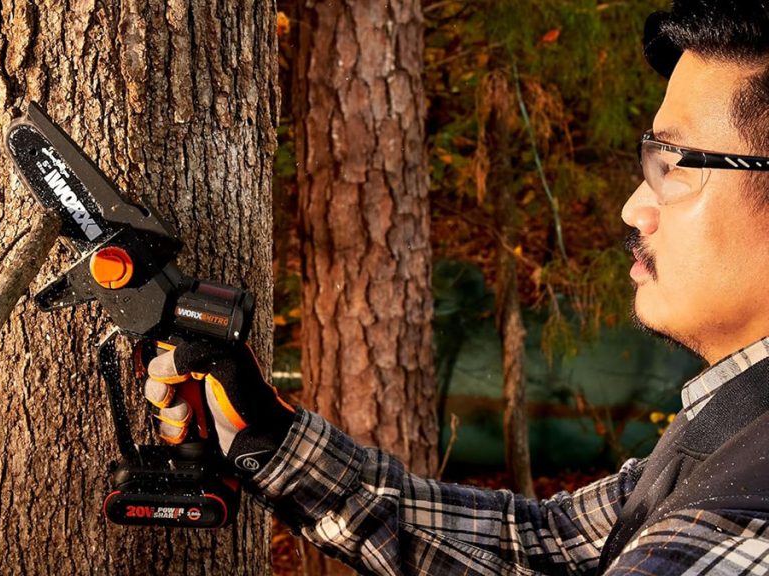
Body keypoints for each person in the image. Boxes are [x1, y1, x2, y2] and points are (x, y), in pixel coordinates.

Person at [145, 1, 769, 574]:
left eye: (676, 163)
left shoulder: (745, 528)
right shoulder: (735, 422)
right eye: (648, 160)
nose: (636, 209)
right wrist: (267, 438)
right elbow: (546, 549)